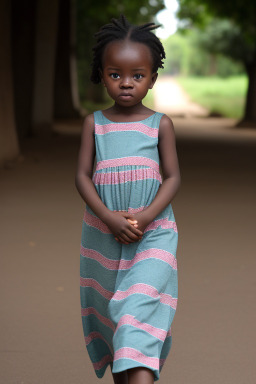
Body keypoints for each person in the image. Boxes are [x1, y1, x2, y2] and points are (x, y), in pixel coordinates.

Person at [75, 14, 181, 384]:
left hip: (154, 233)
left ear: (152, 79)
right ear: (101, 75)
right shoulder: (95, 124)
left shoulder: (159, 124)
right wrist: (108, 217)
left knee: (136, 309)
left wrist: (148, 216)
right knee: (113, 320)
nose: (126, 83)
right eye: (115, 74)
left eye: (137, 75)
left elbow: (173, 177)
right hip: (104, 233)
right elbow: (82, 177)